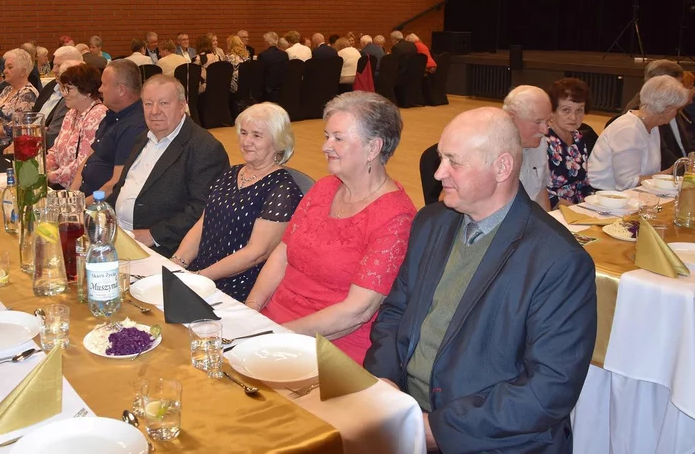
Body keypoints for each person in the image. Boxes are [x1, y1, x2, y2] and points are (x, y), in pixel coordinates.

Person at [365, 106, 596, 453]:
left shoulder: (559, 260)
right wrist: (383, 381)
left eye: (454, 162)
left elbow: (549, 389)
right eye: (441, 157)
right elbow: (395, 311)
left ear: (502, 167)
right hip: (405, 411)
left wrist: (436, 430)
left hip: (492, 439)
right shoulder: (431, 222)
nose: (438, 172)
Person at [245, 92, 416, 363]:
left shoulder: (396, 218)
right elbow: (282, 254)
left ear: (373, 148)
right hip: (274, 324)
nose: (326, 146)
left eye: (338, 138)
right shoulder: (324, 188)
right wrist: (251, 311)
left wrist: (278, 335)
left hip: (330, 345)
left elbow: (356, 312)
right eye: (327, 136)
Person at [171, 103, 303, 301]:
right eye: (243, 133)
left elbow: (256, 254)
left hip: (237, 286)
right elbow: (204, 222)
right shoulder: (231, 173)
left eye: (257, 135)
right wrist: (178, 262)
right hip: (202, 274)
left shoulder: (282, 189)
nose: (246, 141)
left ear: (278, 142)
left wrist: (200, 277)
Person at [108, 75, 229, 256]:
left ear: (182, 106)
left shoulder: (204, 148)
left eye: (164, 103)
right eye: (148, 104)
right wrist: (102, 216)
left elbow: (204, 208)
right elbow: (123, 187)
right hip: (119, 236)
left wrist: (153, 235)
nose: (154, 111)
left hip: (164, 247)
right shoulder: (143, 138)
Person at [589, 75, 689, 191]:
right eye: (676, 109)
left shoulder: (652, 126)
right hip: (605, 196)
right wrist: (669, 173)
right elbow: (627, 183)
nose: (676, 114)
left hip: (636, 194)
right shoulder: (628, 129)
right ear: (667, 110)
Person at [73, 59, 146, 199]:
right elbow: (88, 159)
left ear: (121, 90)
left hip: (102, 206)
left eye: (104, 84)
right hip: (84, 198)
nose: (100, 89)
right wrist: (72, 196)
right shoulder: (112, 114)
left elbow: (116, 184)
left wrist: (80, 206)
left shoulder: (135, 126)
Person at [45, 65, 107, 189]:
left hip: (82, 188)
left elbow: (83, 163)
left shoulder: (98, 115)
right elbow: (55, 151)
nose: (64, 94)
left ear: (87, 91)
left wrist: (50, 176)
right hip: (61, 183)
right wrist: (42, 168)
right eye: (63, 88)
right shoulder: (71, 113)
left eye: (69, 89)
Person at [545, 78, 595, 207]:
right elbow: (540, 193)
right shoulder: (542, 142)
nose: (573, 117)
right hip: (553, 211)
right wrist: (574, 211)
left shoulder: (579, 138)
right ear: (552, 111)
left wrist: (593, 206)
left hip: (578, 208)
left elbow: (584, 184)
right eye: (566, 110)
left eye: (579, 110)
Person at [503, 85, 552, 210]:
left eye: (547, 121)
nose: (545, 130)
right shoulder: (489, 150)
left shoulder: (539, 142)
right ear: (512, 118)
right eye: (538, 122)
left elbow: (540, 191)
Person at [0, 49, 38, 148]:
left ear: (23, 72)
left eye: (10, 67)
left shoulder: (28, 94)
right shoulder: (7, 89)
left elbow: (17, 126)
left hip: (8, 147)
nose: (5, 71)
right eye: (5, 67)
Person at [32, 46, 83, 150]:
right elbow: (33, 115)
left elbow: (52, 137)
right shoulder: (50, 86)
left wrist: (32, 133)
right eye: (54, 64)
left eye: (59, 65)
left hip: (43, 147)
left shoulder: (74, 99)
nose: (54, 70)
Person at [259, 32, 288, 102]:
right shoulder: (284, 55)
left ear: (267, 42)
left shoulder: (263, 55)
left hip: (267, 91)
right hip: (281, 90)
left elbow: (260, 75)